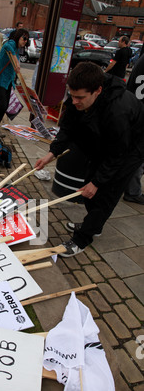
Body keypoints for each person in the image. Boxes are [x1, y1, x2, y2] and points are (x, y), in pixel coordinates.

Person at [35, 61, 144, 257]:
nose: (75, 101)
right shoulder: (78, 98)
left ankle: (82, 239)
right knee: (88, 186)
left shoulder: (118, 110)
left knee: (105, 193)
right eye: (72, 95)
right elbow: (68, 128)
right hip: (105, 143)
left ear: (98, 90)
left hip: (131, 149)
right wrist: (51, 154)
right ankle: (94, 224)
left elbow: (117, 154)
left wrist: (98, 182)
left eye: (80, 98)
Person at [0, 28, 29, 137]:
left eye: (27, 40)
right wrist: (14, 58)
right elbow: (7, 47)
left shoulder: (17, 49)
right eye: (24, 38)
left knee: (5, 106)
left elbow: (14, 68)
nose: (25, 41)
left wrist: (14, 81)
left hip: (8, 82)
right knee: (3, 105)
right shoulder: (11, 44)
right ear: (18, 36)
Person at [123, 53, 144, 204]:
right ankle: (132, 191)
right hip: (140, 118)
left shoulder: (141, 60)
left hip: (134, 112)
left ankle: (131, 189)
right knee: (137, 157)